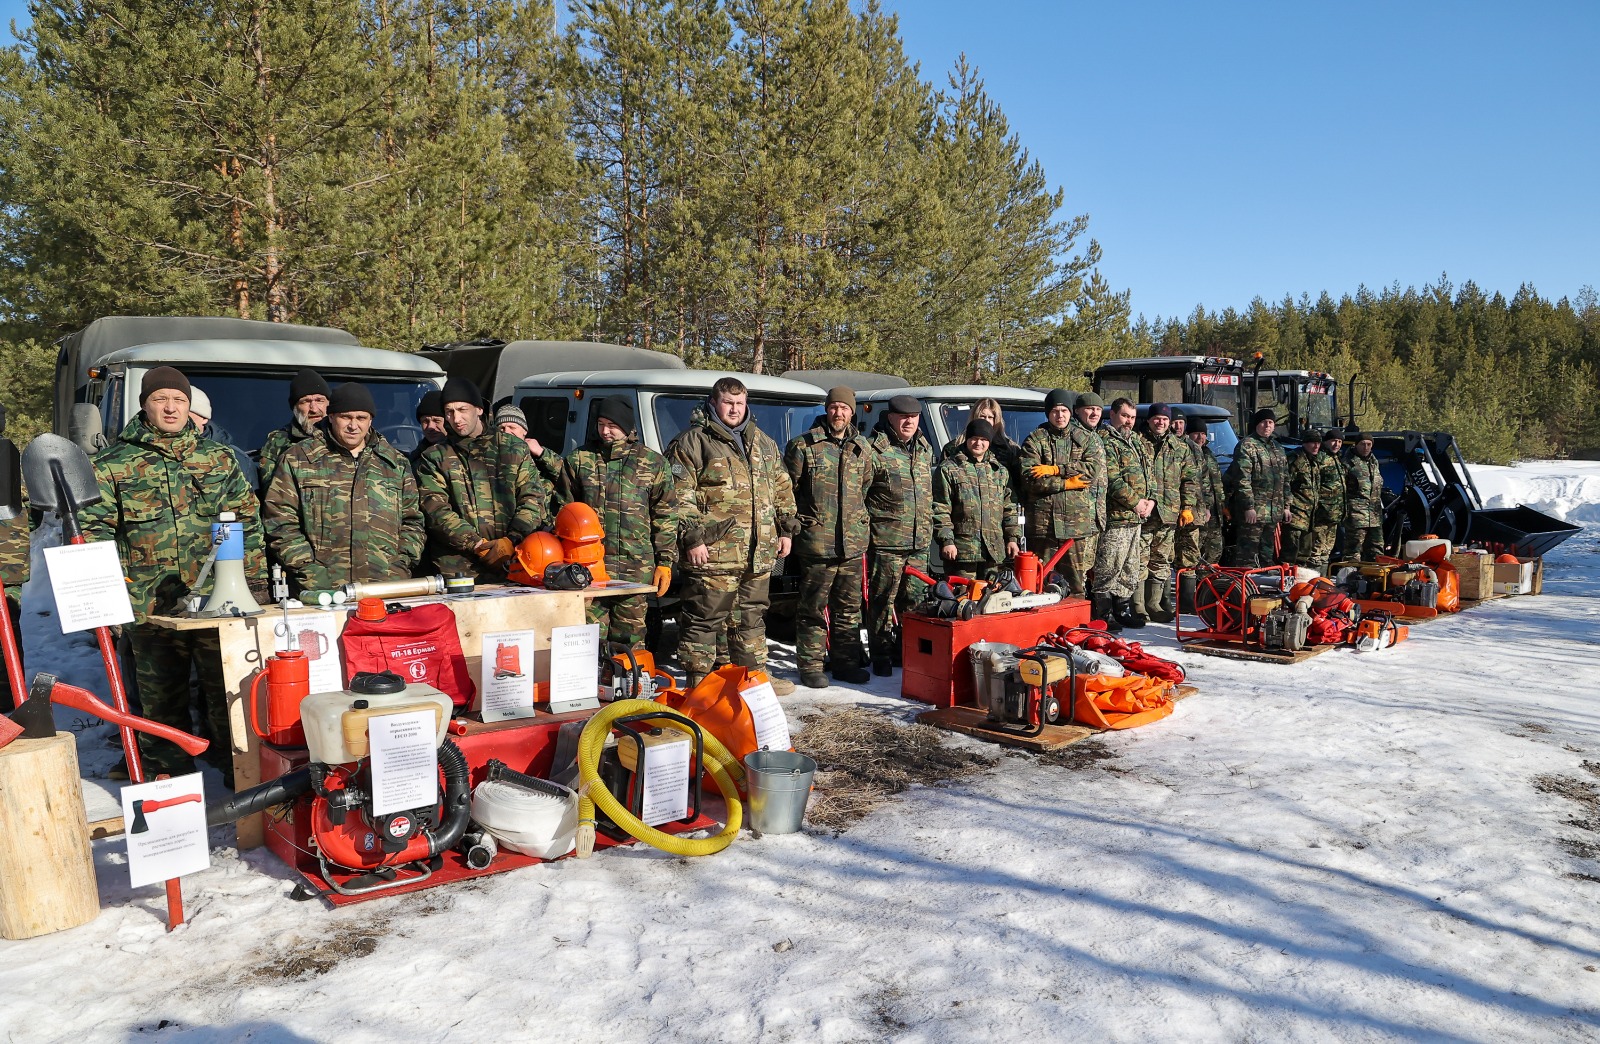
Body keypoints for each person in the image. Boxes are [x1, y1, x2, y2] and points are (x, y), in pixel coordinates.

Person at [80, 366, 265, 783]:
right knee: (160, 699)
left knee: (227, 693)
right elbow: (92, 536)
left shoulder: (217, 460)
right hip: (146, 604)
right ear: (145, 404)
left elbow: (246, 524)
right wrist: (101, 603)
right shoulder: (113, 464)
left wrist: (253, 589)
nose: (170, 407)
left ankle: (237, 774)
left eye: (178, 400)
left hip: (217, 602)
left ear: (189, 406)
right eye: (160, 399)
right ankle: (169, 782)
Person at [669, 376, 798, 694]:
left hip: (758, 552)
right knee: (704, 618)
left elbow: (781, 487)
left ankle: (753, 682)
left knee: (751, 616)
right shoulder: (693, 442)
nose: (734, 409)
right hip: (714, 551)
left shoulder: (764, 443)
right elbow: (679, 494)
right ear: (714, 403)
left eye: (740, 403)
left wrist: (785, 529)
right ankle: (698, 688)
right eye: (728, 402)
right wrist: (692, 538)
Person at [262, 382, 425, 592]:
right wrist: (308, 570)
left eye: (361, 418)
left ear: (371, 420)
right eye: (346, 417)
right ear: (331, 417)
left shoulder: (394, 463)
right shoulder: (299, 459)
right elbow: (280, 521)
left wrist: (400, 564)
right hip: (321, 589)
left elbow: (413, 522)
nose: (353, 425)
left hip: (385, 586)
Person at [553, 397, 676, 655]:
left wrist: (664, 561)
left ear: (627, 427)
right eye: (601, 424)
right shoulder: (580, 460)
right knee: (586, 640)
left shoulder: (652, 463)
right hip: (588, 570)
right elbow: (562, 511)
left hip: (635, 570)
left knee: (630, 641)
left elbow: (665, 516)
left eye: (612, 425)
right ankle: (591, 691)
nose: (605, 431)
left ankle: (630, 690)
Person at [784, 387, 878, 689]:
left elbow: (864, 488)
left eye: (845, 408)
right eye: (834, 407)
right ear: (827, 410)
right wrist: (797, 526)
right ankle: (810, 665)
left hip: (851, 543)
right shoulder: (804, 446)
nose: (839, 413)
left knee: (848, 610)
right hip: (816, 542)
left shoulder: (862, 448)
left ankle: (845, 663)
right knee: (812, 608)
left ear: (852, 412)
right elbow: (788, 492)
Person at [414, 377, 550, 581]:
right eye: (449, 412)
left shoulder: (513, 448)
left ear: (478, 409)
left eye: (462, 410)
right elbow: (435, 508)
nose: (456, 419)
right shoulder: (435, 457)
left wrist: (512, 540)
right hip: (459, 567)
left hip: (515, 561)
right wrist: (476, 544)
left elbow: (533, 499)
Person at [864, 394, 934, 676]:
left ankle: (906, 651)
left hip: (919, 541)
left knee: (915, 602)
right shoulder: (874, 450)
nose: (909, 422)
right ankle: (881, 655)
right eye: (903, 417)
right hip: (887, 540)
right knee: (882, 600)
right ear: (891, 417)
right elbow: (861, 495)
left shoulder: (924, 449)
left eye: (914, 417)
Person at [1018, 389, 1097, 596]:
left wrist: (1056, 470)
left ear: (1071, 412)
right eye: (1054, 411)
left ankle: (1076, 625)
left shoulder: (1085, 439)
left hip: (1074, 524)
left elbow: (1091, 471)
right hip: (1043, 525)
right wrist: (1065, 483)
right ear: (1047, 413)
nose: (1059, 415)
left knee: (1075, 583)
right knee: (1041, 580)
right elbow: (1029, 478)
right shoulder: (1036, 439)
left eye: (1063, 410)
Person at [932, 419, 1019, 581]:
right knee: (962, 600)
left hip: (993, 552)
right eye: (975, 438)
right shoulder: (949, 468)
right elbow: (940, 508)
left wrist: (1012, 539)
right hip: (962, 552)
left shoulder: (999, 471)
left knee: (992, 601)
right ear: (967, 439)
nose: (979, 443)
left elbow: (1009, 508)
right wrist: (947, 540)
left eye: (984, 439)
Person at [1093, 397, 1153, 631]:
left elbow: (1149, 474)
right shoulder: (1105, 441)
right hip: (1116, 516)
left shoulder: (1136, 441)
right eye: (1125, 416)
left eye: (1132, 417)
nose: (1129, 421)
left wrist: (1151, 501)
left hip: (1136, 517)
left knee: (1129, 566)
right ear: (1113, 415)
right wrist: (1136, 502)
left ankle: (1122, 610)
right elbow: (1113, 479)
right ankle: (1104, 614)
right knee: (1109, 565)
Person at [1135, 403, 1198, 623]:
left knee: (1161, 559)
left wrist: (1187, 507)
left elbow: (1189, 480)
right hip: (1143, 513)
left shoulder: (1179, 447)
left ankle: (1154, 603)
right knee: (1140, 559)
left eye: (1164, 419)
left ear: (1169, 422)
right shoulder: (1139, 442)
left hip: (1168, 513)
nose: (1160, 422)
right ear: (1149, 420)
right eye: (1156, 418)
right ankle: (1138, 605)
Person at [1226, 408, 1290, 567]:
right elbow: (1242, 479)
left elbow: (1285, 479)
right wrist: (1249, 507)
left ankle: (1264, 588)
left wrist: (1286, 506)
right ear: (1256, 424)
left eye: (1270, 422)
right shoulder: (1246, 446)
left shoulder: (1278, 448)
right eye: (1263, 422)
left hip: (1273, 512)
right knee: (1247, 555)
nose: (1267, 425)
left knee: (1266, 556)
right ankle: (1244, 589)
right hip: (1254, 512)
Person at [258, 368, 331, 489]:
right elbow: (273, 492)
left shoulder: (346, 436)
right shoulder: (278, 442)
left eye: (319, 400)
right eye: (306, 401)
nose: (314, 408)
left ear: (329, 403)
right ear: (295, 407)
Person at [0, 405, 26, 713]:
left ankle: (9, 699)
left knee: (7, 626)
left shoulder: (7, 457)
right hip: (11, 558)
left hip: (7, 559)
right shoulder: (10, 456)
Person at [187, 385, 259, 490]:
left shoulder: (236, 460)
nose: (174, 412)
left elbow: (248, 504)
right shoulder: (157, 452)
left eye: (187, 411)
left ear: (204, 417)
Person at [1181, 413, 1226, 567]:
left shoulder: (1209, 454)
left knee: (1215, 549)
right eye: (1196, 433)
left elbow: (1216, 484)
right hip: (1197, 511)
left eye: (1203, 433)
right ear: (1188, 434)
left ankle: (1208, 585)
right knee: (1194, 551)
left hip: (1214, 511)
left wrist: (1222, 506)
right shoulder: (1186, 452)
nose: (1200, 437)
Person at [943, 397, 1022, 485]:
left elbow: (1018, 485)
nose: (986, 421)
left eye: (990, 417)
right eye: (982, 416)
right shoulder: (954, 447)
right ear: (974, 417)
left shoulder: (1010, 449)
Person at [1281, 430, 1324, 567]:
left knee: (1305, 552)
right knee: (1290, 552)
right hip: (1296, 513)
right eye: (1313, 443)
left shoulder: (1314, 461)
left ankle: (1300, 581)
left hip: (1309, 515)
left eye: (1318, 443)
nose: (1316, 446)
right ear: (1305, 443)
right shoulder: (1295, 459)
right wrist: (1286, 507)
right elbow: (1285, 484)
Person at [1309, 429, 1348, 573]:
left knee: (1327, 551)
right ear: (1325, 442)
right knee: (1316, 551)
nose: (1336, 444)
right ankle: (1313, 581)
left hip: (1334, 515)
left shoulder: (1337, 459)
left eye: (1339, 442)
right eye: (1333, 441)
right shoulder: (1320, 458)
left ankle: (1323, 580)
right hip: (1321, 514)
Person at [1346, 432, 1385, 560]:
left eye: (1369, 444)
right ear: (1356, 445)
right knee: (1353, 552)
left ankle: (1375, 578)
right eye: (1362, 444)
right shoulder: (1348, 462)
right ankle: (1350, 577)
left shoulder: (1374, 462)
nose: (1366, 447)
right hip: (1356, 515)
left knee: (1377, 551)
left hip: (1374, 515)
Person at [411, 389, 447, 467]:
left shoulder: (459, 454)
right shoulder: (416, 455)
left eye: (436, 421)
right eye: (425, 421)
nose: (430, 427)